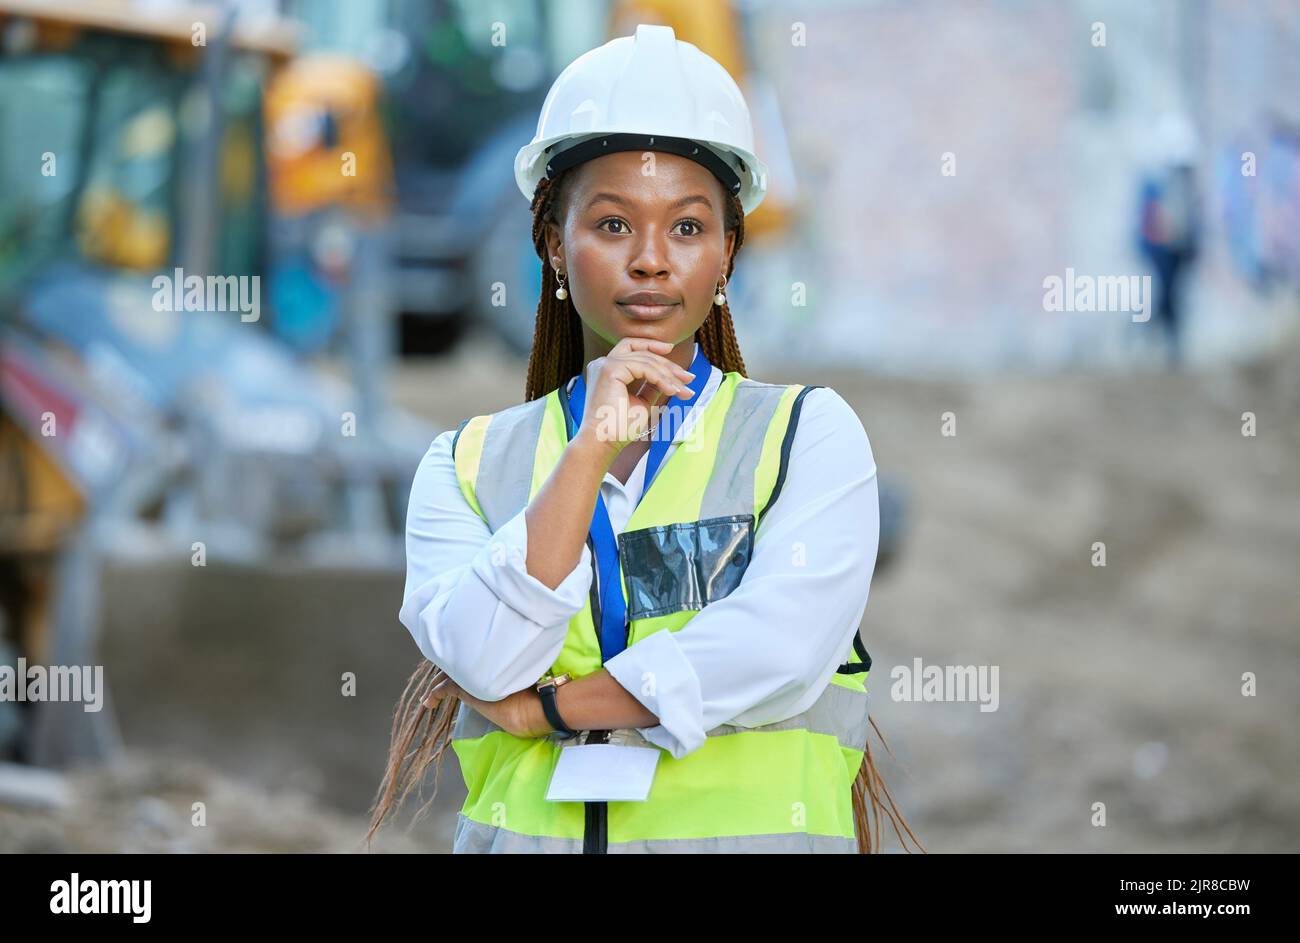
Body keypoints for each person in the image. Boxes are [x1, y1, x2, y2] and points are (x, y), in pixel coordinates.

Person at [368, 24, 919, 854]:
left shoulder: (808, 437)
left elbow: (778, 649)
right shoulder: (465, 466)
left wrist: (552, 707)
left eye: (689, 228)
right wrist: (588, 450)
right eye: (615, 225)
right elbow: (484, 657)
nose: (652, 261)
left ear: (729, 250)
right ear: (555, 242)